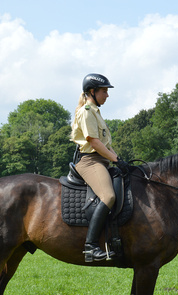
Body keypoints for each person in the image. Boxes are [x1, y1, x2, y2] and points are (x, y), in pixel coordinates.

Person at [70, 73, 129, 262]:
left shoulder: (95, 111)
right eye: (104, 91)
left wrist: (118, 159)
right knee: (108, 196)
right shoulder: (86, 111)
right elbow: (94, 143)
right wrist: (115, 160)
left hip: (101, 160)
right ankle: (91, 247)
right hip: (90, 161)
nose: (107, 95)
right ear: (92, 92)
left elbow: (105, 144)